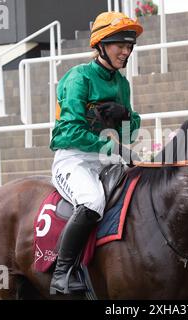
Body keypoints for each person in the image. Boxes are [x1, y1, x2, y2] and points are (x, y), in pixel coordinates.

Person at [49, 11, 143, 294]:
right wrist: (113, 147)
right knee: (92, 201)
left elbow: (130, 135)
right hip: (72, 158)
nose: (126, 52)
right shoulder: (78, 77)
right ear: (101, 44)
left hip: (105, 159)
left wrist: (125, 115)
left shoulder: (122, 84)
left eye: (129, 46)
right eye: (120, 45)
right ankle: (62, 273)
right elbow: (68, 133)